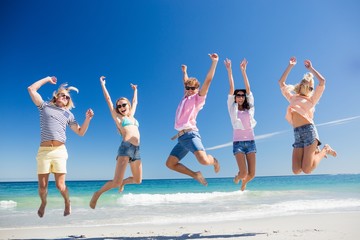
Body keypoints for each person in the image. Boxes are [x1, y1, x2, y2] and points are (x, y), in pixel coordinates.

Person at [28, 76, 94, 218]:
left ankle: (67, 201)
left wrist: (87, 119)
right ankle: (44, 202)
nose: (65, 97)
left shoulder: (68, 114)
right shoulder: (44, 106)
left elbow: (81, 132)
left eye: (68, 97)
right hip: (44, 152)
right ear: (56, 96)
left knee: (60, 186)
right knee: (42, 187)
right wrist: (47, 79)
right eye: (63, 95)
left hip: (59, 151)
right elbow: (31, 89)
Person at [166, 53, 221, 186]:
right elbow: (185, 82)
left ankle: (214, 160)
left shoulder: (198, 99)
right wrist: (185, 72)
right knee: (170, 164)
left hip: (191, 134)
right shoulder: (185, 96)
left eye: (193, 88)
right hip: (181, 139)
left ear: (197, 89)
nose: (190, 90)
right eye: (187, 88)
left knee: (203, 161)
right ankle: (195, 174)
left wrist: (214, 62)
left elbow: (208, 81)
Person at [90, 76, 142, 209]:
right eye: (119, 106)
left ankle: (124, 182)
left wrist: (135, 89)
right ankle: (97, 194)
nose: (121, 107)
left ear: (128, 106)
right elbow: (108, 100)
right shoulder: (118, 118)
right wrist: (103, 84)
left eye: (124, 104)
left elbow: (135, 101)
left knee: (137, 180)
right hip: (125, 148)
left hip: (136, 150)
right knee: (116, 182)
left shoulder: (132, 116)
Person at [278, 56, 337, 174]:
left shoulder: (312, 100)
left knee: (307, 169)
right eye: (307, 86)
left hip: (309, 132)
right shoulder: (293, 98)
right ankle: (319, 151)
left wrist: (311, 69)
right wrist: (290, 66)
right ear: (301, 86)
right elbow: (281, 83)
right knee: (296, 170)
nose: (310, 89)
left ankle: (325, 149)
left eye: (311, 88)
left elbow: (322, 81)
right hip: (297, 134)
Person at [224, 58, 257, 191]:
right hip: (238, 143)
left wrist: (243, 71)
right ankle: (238, 178)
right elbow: (231, 88)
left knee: (252, 174)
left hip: (251, 142)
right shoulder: (232, 108)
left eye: (242, 95)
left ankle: (244, 183)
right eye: (238, 95)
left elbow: (248, 89)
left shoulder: (250, 108)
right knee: (243, 173)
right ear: (235, 97)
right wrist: (229, 70)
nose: (240, 97)